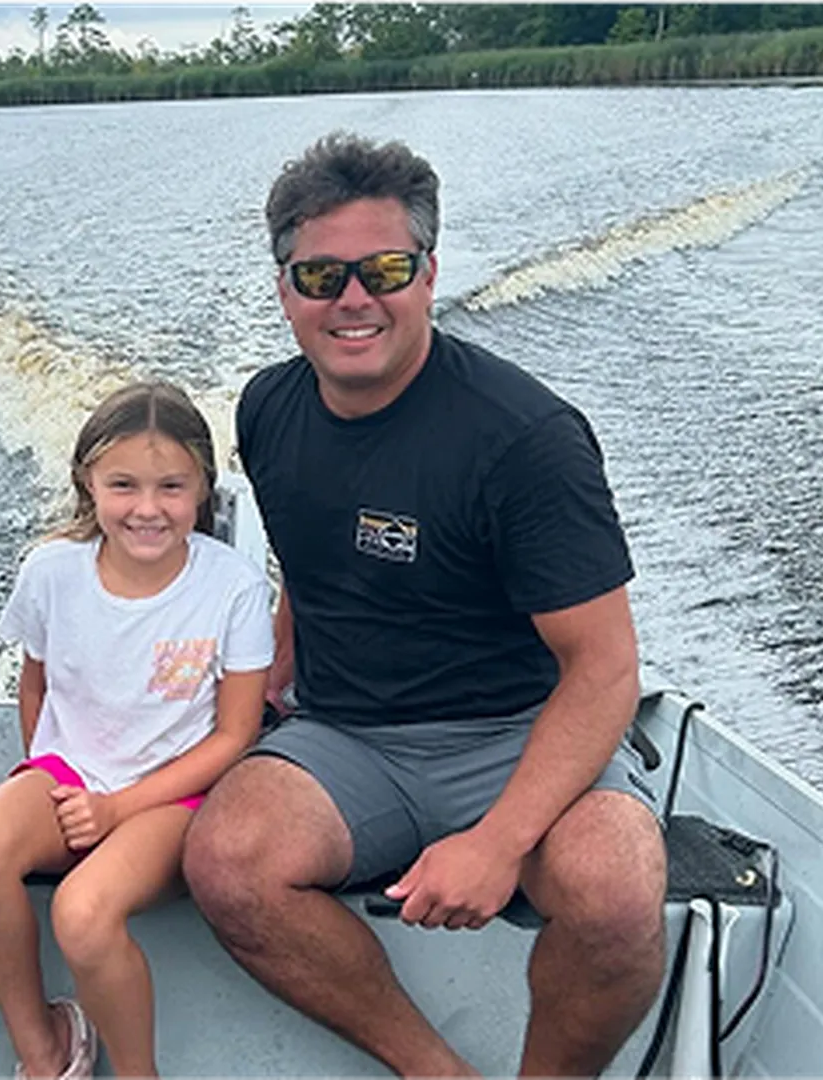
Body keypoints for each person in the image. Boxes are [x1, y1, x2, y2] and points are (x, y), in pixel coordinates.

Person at [182, 133, 668, 1080]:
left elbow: (605, 669)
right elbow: (300, 562)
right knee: (227, 861)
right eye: (319, 274)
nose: (353, 300)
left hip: (517, 730)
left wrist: (497, 842)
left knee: (613, 892)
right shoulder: (267, 410)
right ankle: (436, 1072)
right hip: (347, 735)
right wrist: (272, 673)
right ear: (283, 286)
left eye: (385, 269)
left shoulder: (525, 440)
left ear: (429, 274)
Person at [0, 382, 274, 1080]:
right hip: (73, 778)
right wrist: (46, 780)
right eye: (123, 485)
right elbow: (35, 682)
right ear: (87, 484)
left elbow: (235, 735)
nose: (148, 508)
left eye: (171, 486)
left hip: (174, 797)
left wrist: (115, 811)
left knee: (82, 911)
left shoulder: (233, 588)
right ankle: (42, 1050)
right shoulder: (51, 571)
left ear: (201, 488)